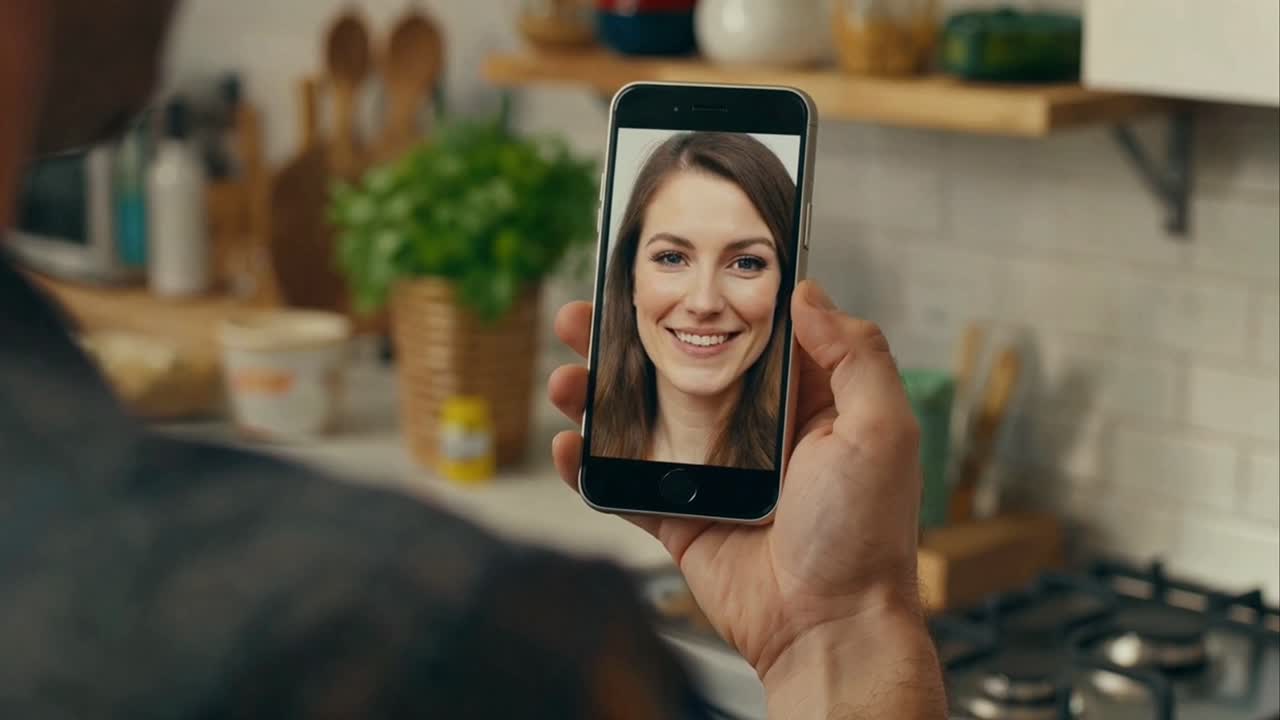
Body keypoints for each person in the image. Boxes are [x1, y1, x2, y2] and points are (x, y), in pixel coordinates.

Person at [0, 1, 947, 718]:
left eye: (745, 261)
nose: (704, 296)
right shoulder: (432, 634)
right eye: (669, 255)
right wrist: (847, 632)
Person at [594, 133, 792, 470]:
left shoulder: (813, 466)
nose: (704, 303)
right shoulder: (590, 453)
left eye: (746, 263)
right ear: (630, 279)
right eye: (672, 258)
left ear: (784, 288)